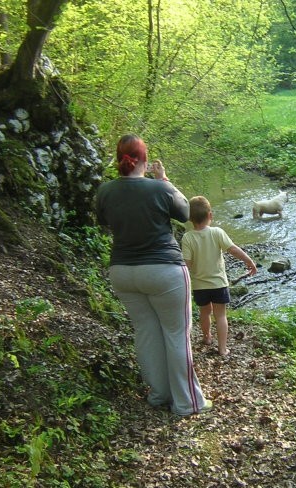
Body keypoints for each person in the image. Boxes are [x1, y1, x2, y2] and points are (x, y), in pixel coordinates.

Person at [96, 134, 211, 416]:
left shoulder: (105, 192)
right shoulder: (159, 189)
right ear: (144, 161)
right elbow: (185, 212)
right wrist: (164, 180)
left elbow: (102, 221)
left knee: (146, 333)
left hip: (122, 272)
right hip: (163, 270)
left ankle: (159, 394)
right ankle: (187, 403)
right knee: (176, 334)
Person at [181, 196, 257, 356]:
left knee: (204, 312)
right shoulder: (217, 233)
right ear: (210, 215)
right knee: (220, 315)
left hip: (199, 285)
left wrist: (183, 281)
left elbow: (186, 264)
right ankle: (222, 348)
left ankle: (207, 337)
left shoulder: (187, 237)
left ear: (189, 218)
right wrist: (249, 260)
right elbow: (233, 249)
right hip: (218, 284)